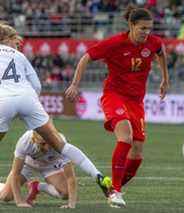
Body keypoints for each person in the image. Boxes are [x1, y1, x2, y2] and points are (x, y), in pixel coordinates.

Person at [65, 5, 169, 208]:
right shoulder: (114, 43)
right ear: (131, 25)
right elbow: (86, 57)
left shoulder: (153, 42)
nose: (146, 33)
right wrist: (75, 84)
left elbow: (161, 52)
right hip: (114, 96)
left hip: (136, 101)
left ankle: (113, 187)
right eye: (142, 28)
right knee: (126, 137)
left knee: (137, 151)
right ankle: (116, 193)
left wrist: (165, 79)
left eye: (149, 29)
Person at [0, 22, 111, 208]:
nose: (17, 46)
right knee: (61, 145)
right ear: (6, 40)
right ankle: (97, 175)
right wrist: (28, 108)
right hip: (28, 98)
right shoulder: (19, 56)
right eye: (15, 42)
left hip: (3, 101)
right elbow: (37, 86)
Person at [0, 131, 77, 208]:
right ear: (34, 140)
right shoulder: (25, 141)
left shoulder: (60, 142)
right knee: (6, 197)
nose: (47, 148)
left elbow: (70, 177)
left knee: (67, 194)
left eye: (50, 143)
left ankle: (37, 186)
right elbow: (16, 173)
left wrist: (71, 204)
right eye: (43, 144)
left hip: (50, 165)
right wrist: (20, 202)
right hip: (27, 163)